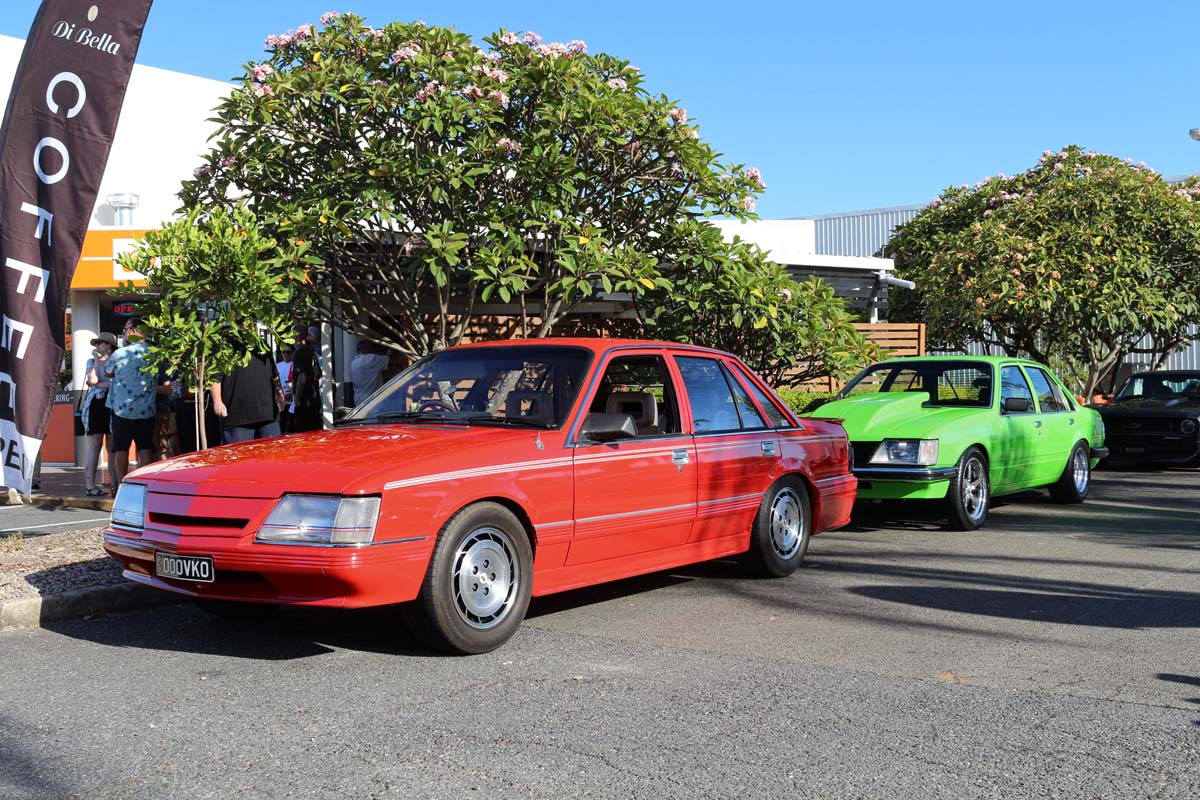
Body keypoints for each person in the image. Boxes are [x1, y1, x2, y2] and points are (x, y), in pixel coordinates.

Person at [105, 317, 158, 488]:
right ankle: (146, 485)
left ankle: (123, 485)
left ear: (135, 331)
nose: (124, 333)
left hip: (123, 409)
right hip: (146, 409)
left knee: (121, 448)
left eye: (126, 329)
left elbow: (107, 372)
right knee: (145, 448)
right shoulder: (155, 353)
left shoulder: (120, 353)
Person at [211, 351, 286, 444]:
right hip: (237, 418)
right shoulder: (225, 349)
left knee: (273, 452)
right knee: (239, 453)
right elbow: (214, 377)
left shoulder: (262, 347)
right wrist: (217, 401)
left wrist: (280, 393)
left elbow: (274, 374)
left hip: (268, 415)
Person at [81, 332, 117, 496]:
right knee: (95, 444)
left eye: (100, 343)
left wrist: (102, 384)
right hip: (96, 404)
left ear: (109, 345)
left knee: (112, 445)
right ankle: (90, 485)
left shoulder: (116, 360)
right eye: (96, 343)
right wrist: (96, 361)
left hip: (113, 403)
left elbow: (116, 383)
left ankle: (115, 484)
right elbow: (93, 381)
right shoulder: (91, 361)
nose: (97, 346)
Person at [291, 328, 322, 432]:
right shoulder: (312, 353)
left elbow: (302, 379)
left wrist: (297, 399)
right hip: (315, 401)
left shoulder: (299, 353)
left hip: (304, 402)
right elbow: (318, 374)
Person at [349, 340, 390, 406]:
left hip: (358, 400)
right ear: (368, 349)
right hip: (372, 400)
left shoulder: (354, 363)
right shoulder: (370, 360)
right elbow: (389, 359)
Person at [276, 343, 294, 433]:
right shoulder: (277, 366)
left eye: (288, 352)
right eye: (284, 352)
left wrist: (292, 393)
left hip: (293, 402)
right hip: (281, 402)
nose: (286, 354)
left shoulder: (294, 365)